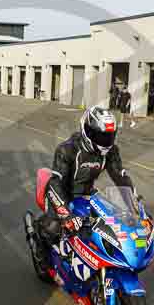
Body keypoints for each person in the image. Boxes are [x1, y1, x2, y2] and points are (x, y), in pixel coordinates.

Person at [32, 106, 135, 260]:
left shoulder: (111, 151)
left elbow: (120, 177)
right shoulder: (67, 149)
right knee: (53, 228)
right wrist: (67, 214)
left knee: (111, 224)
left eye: (108, 136)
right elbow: (55, 182)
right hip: (61, 193)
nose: (105, 141)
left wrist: (133, 206)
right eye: (100, 136)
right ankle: (40, 250)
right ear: (88, 132)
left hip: (87, 194)